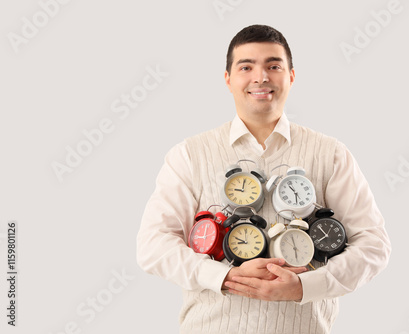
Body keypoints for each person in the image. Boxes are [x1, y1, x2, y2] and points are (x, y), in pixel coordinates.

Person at [136, 24, 391, 334]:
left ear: (291, 76)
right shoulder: (189, 154)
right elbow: (153, 245)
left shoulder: (330, 153)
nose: (261, 77)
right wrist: (224, 277)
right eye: (246, 67)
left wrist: (303, 286)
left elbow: (373, 245)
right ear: (228, 79)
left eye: (273, 66)